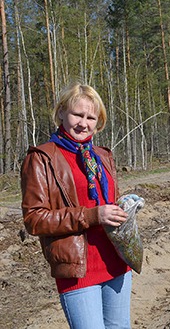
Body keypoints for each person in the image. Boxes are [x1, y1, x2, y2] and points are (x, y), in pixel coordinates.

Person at [20, 83, 132, 328]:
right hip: (78, 269)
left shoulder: (102, 156)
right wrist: (92, 216)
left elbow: (109, 203)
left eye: (91, 117)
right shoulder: (41, 158)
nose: (84, 123)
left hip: (117, 262)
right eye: (77, 115)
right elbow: (34, 219)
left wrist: (126, 208)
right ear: (61, 112)